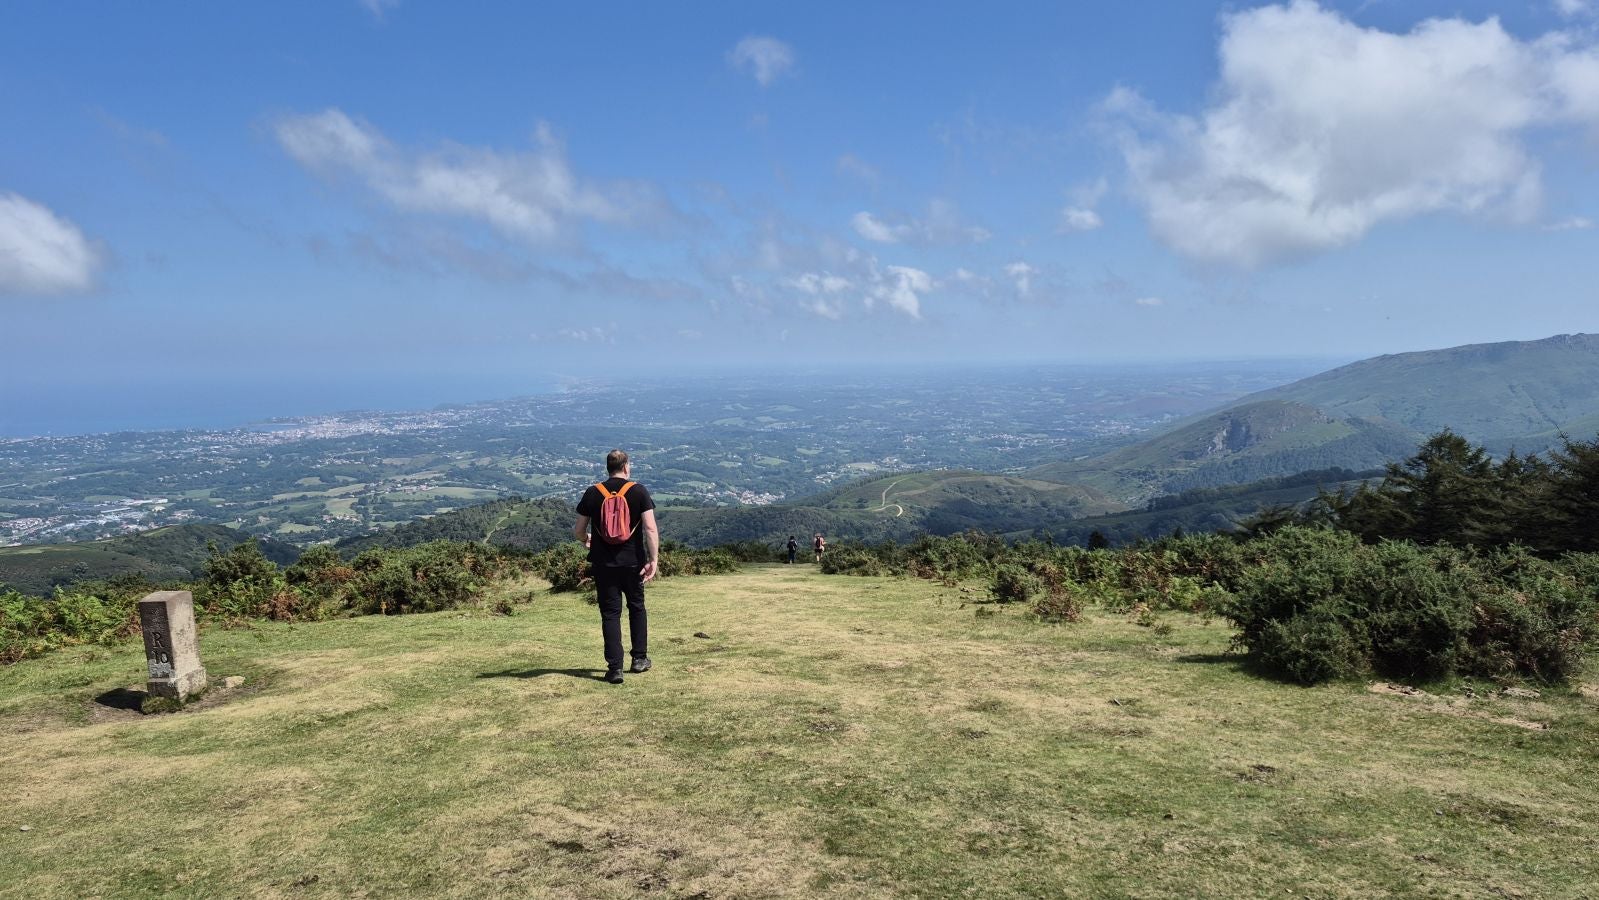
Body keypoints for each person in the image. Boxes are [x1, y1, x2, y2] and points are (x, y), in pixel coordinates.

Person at [573, 449, 658, 684]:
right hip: (633, 562)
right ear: (626, 466)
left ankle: (615, 668)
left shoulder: (593, 493)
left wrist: (586, 541)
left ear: (608, 467)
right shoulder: (638, 491)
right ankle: (639, 659)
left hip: (603, 564)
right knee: (637, 607)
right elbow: (650, 529)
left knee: (610, 614)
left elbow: (579, 530)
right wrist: (654, 559)